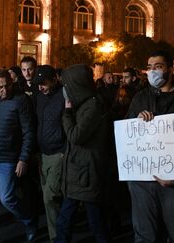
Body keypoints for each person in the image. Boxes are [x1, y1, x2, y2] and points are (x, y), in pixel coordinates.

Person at [125, 51, 174, 243]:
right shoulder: (140, 97)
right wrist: (136, 123)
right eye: (149, 67)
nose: (152, 71)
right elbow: (126, 132)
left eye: (158, 67)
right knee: (145, 235)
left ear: (170, 69)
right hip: (143, 182)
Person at [0, 69, 37, 242]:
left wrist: (23, 158)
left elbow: (28, 132)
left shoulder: (20, 100)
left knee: (7, 199)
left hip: (7, 160)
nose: (5, 90)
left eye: (7, 85)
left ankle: (29, 220)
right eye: (1, 87)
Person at [55, 64, 112, 243]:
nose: (64, 90)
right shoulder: (85, 104)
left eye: (67, 86)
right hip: (79, 172)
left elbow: (75, 136)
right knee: (80, 220)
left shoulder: (92, 107)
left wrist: (67, 112)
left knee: (93, 221)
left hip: (86, 174)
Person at [32, 65, 65, 241]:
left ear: (54, 80)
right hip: (43, 155)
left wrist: (64, 152)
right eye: (38, 84)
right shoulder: (40, 97)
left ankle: (57, 238)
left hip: (58, 154)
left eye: (43, 83)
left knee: (49, 197)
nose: (40, 88)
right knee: (49, 198)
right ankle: (59, 233)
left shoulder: (64, 96)